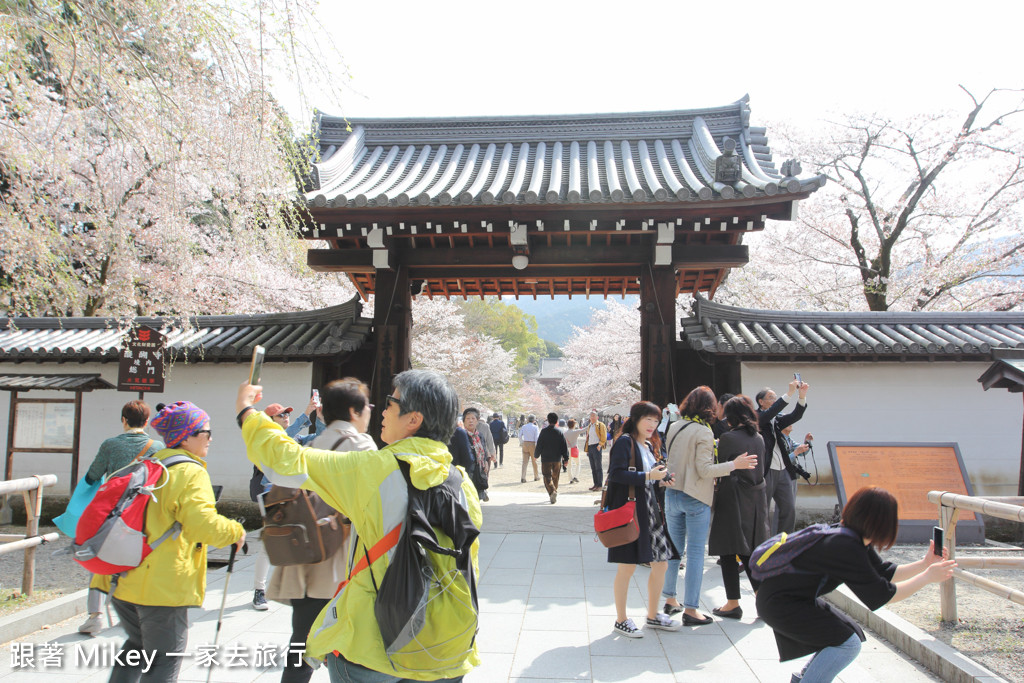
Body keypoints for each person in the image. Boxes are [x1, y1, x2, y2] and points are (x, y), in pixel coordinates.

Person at [236, 369, 482, 682]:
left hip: (374, 646)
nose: (382, 409)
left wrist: (247, 412)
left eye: (392, 402)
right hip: (447, 648)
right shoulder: (461, 482)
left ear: (414, 419)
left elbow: (285, 460)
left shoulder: (374, 470)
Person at [758, 486, 956, 683]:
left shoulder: (850, 536)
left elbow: (885, 573)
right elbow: (883, 596)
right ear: (881, 522)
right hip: (781, 604)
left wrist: (924, 564)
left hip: (783, 600)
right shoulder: (846, 545)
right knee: (848, 644)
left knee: (847, 634)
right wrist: (928, 577)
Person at [108, 401, 245, 683]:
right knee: (163, 662)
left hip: (123, 577)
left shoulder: (150, 465)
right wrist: (235, 531)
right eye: (206, 432)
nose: (211, 438)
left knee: (136, 649)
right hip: (160, 587)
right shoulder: (190, 472)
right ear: (186, 436)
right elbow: (202, 525)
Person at [268, 378, 376, 683]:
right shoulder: (361, 446)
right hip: (340, 561)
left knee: (301, 643)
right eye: (367, 406)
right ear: (355, 412)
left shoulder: (312, 443)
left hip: (307, 554)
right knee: (347, 647)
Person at [662, 386, 758, 626]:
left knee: (674, 551)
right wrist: (734, 464)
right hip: (695, 496)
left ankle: (670, 598)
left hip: (672, 494)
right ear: (709, 406)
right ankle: (692, 609)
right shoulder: (703, 432)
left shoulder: (675, 426)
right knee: (694, 553)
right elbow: (704, 470)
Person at [78, 401, 165, 635]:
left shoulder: (110, 445)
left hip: (111, 511)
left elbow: (93, 475)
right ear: (147, 422)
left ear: (123, 420)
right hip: (142, 511)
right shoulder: (157, 446)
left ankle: (95, 616)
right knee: (135, 556)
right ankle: (133, 612)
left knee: (101, 553)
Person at [606, 401, 680, 637]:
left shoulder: (648, 445)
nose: (652, 425)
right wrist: (649, 475)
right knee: (626, 567)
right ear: (636, 418)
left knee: (662, 563)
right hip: (631, 514)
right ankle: (621, 619)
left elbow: (649, 479)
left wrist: (661, 480)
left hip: (651, 512)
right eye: (648, 419)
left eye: (656, 421)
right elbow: (616, 475)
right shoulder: (625, 442)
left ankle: (652, 614)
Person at [250, 399, 327, 610]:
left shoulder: (296, 439)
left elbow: (320, 439)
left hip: (293, 494)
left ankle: (297, 587)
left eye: (287, 414)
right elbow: (283, 438)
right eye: (281, 415)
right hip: (271, 494)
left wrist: (319, 420)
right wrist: (305, 415)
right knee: (270, 544)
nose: (286, 417)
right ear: (270, 420)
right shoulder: (265, 439)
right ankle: (259, 590)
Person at [707, 395, 769, 620]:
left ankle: (733, 603)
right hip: (755, 498)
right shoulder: (759, 438)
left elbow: (720, 466)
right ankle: (762, 599)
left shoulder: (728, 438)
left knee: (729, 549)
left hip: (732, 497)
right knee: (749, 550)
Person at [757, 379, 809, 534]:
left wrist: (801, 396)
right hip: (767, 470)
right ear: (761, 402)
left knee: (788, 509)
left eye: (775, 397)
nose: (774, 400)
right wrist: (789, 393)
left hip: (783, 469)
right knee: (763, 510)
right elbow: (770, 414)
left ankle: (783, 544)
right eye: (771, 398)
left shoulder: (777, 419)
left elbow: (795, 415)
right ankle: (763, 544)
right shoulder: (756, 417)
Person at [535, 412, 569, 503]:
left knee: (547, 476)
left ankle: (552, 491)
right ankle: (554, 491)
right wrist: (566, 458)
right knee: (555, 476)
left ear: (548, 420)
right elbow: (564, 446)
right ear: (556, 421)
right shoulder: (559, 432)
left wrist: (536, 455)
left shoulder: (544, 432)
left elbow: (539, 445)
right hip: (557, 458)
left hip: (546, 458)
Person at [463, 407, 495, 502]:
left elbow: (484, 449)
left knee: (475, 497)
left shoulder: (479, 435)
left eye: (473, 419)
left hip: (478, 469)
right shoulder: (460, 435)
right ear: (464, 421)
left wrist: (485, 461)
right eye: (468, 419)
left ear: (477, 421)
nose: (470, 421)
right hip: (466, 470)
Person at [583, 410, 608, 491]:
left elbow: (604, 436)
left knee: (598, 467)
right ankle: (595, 484)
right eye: (591, 416)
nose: (592, 417)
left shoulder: (600, 425)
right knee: (593, 467)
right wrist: (587, 449)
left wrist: (600, 445)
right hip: (590, 447)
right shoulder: (590, 426)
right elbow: (588, 437)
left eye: (593, 416)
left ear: (597, 417)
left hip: (597, 446)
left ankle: (600, 485)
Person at [519, 414, 540, 483]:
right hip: (532, 444)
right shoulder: (535, 427)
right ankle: (536, 476)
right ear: (534, 420)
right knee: (534, 461)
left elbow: (519, 435)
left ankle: (523, 477)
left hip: (525, 443)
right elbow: (537, 438)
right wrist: (537, 446)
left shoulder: (524, 426)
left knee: (524, 462)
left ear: (527, 420)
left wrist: (521, 442)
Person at [563, 418, 585, 484]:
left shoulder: (565, 433)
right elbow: (584, 429)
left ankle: (571, 479)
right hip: (574, 449)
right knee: (578, 463)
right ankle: (576, 476)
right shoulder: (576, 432)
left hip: (567, 449)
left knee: (569, 465)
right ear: (573, 425)